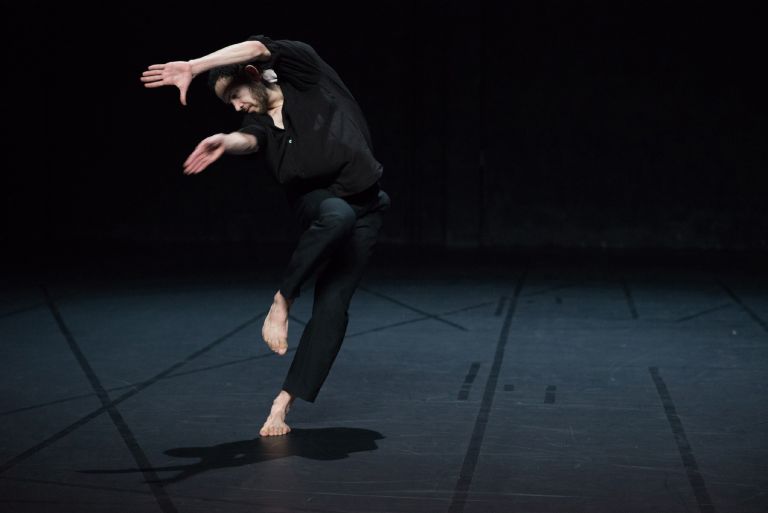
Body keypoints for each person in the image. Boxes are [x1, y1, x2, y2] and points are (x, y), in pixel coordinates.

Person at [141, 35, 390, 437]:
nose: (237, 106)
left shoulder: (305, 76)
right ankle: (283, 299)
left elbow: (258, 46)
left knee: (333, 307)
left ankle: (283, 402)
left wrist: (194, 65)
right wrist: (226, 140)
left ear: (254, 76)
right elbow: (250, 139)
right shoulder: (259, 120)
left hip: (368, 206)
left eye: (237, 95)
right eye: (231, 105)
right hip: (318, 203)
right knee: (336, 215)